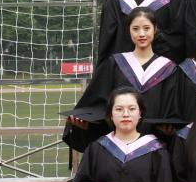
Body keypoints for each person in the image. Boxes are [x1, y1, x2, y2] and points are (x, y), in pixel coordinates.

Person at [64, 8, 180, 152]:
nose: (141, 34)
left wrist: (170, 130)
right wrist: (84, 123)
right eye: (135, 29)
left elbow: (173, 109)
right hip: (117, 145)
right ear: (128, 30)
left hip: (155, 147)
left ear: (155, 29)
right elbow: (98, 103)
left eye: (146, 28)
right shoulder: (115, 64)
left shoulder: (168, 68)